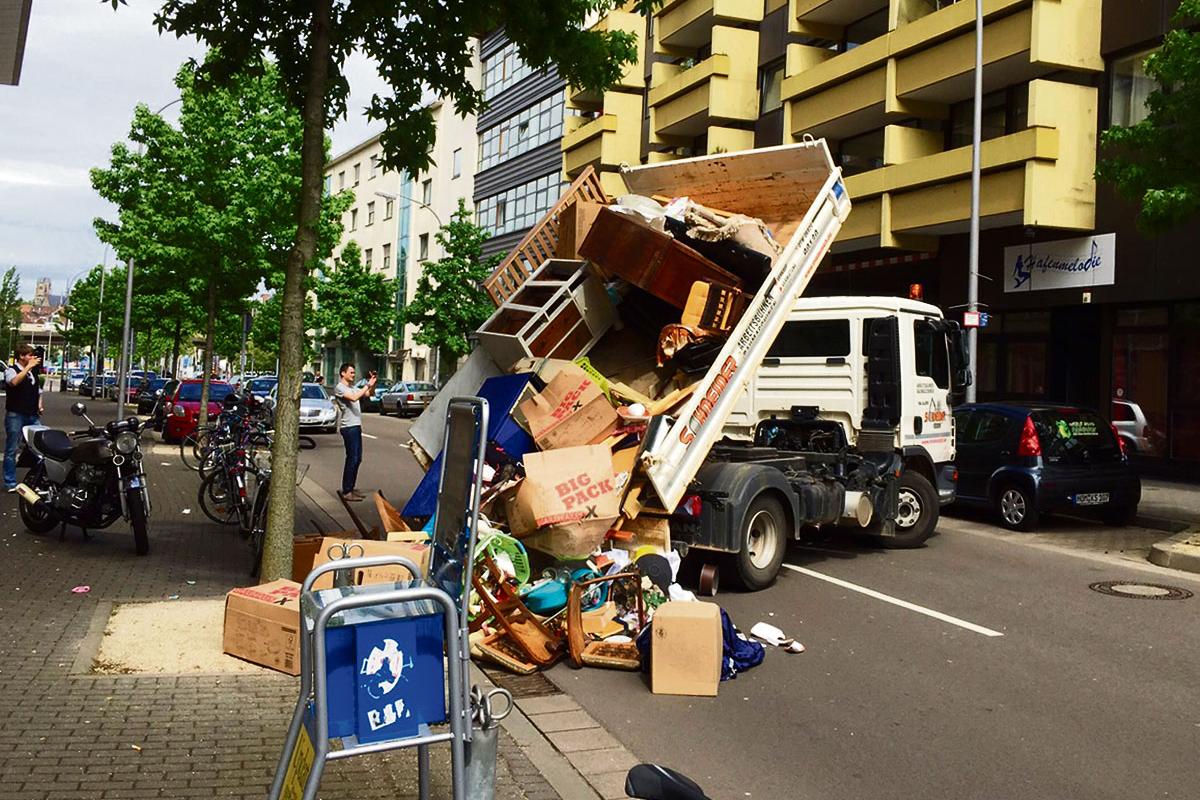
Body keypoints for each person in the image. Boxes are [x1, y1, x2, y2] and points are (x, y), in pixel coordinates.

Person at [333, 362, 376, 502]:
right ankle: (346, 491)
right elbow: (354, 398)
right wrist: (367, 385)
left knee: (357, 458)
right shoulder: (340, 388)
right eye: (351, 372)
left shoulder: (352, 387)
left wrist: (373, 383)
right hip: (348, 428)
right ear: (343, 373)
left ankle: (350, 488)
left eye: (353, 372)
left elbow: (369, 394)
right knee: (352, 458)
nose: (353, 374)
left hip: (356, 426)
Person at [5, 344, 44, 492]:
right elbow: (13, 382)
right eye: (29, 355)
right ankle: (10, 482)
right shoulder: (11, 370)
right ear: (21, 356)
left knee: (40, 446)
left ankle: (37, 480)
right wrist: (28, 368)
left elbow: (38, 390)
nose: (33, 358)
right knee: (12, 448)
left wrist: (40, 404)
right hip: (16, 414)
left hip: (32, 414)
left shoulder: (33, 371)